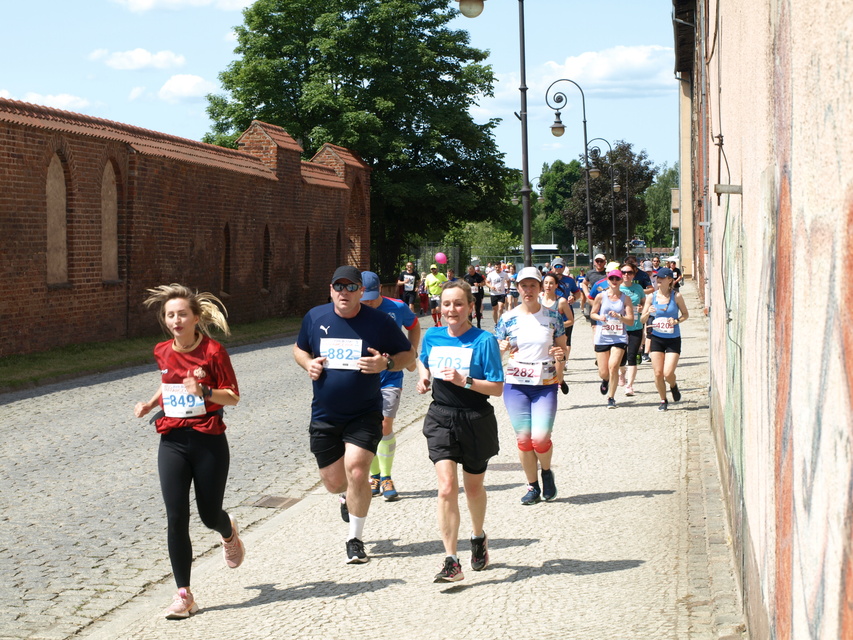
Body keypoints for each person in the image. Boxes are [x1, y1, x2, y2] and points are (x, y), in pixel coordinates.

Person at [133, 284, 244, 620]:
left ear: (196, 317)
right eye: (170, 315)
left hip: (208, 439)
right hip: (173, 440)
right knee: (176, 516)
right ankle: (184, 594)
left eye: (182, 314)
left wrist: (206, 390)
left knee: (209, 514)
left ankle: (227, 531)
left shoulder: (213, 352)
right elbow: (168, 381)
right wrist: (150, 403)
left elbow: (233, 396)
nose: (176, 320)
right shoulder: (162, 350)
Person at [293, 266, 417, 563]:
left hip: (365, 411)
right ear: (331, 289)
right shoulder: (315, 317)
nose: (344, 293)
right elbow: (299, 350)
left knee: (359, 469)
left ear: (361, 291)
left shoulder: (379, 322)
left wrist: (385, 365)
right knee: (335, 482)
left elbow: (408, 356)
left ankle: (355, 539)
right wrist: (307, 364)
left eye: (351, 287)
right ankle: (348, 496)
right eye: (339, 286)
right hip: (325, 414)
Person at [417, 281, 504, 582]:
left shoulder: (484, 341)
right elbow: (423, 360)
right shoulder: (433, 335)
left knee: (474, 489)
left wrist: (463, 381)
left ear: (471, 306)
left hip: (475, 419)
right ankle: (451, 560)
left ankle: (478, 536)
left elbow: (497, 388)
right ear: (439, 308)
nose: (451, 309)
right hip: (441, 416)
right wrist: (424, 377)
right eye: (446, 304)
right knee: (445, 487)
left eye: (458, 304)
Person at [495, 268, 567, 504]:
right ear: (517, 288)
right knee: (524, 438)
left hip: (545, 384)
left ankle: (546, 473)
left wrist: (560, 357)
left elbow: (562, 349)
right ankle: (532, 486)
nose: (528, 290)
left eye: (532, 286)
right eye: (523, 286)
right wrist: (501, 349)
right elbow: (495, 351)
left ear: (539, 288)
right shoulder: (507, 318)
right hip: (516, 385)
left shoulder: (553, 317)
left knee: (541, 437)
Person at [360, 271, 421, 501]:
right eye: (365, 297)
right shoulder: (354, 311)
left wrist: (412, 352)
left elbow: (414, 326)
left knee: (385, 425)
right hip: (363, 378)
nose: (369, 302)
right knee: (369, 427)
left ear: (381, 291)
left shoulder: (397, 306)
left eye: (373, 297)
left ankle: (386, 477)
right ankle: (374, 476)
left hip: (391, 376)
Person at [641, 267, 689, 411]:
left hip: (673, 339)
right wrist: (647, 312)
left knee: (668, 373)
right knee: (657, 372)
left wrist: (676, 321)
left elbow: (686, 314)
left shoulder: (677, 296)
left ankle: (673, 385)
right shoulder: (652, 297)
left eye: (662, 278)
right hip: (657, 338)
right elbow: (642, 320)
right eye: (657, 278)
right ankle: (663, 400)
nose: (658, 280)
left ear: (670, 280)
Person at [590, 269, 634, 409]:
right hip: (602, 336)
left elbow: (631, 321)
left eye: (617, 279)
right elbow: (592, 313)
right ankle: (605, 379)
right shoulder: (601, 296)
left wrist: (619, 316)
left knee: (614, 366)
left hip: (619, 337)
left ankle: (611, 397)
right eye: (612, 279)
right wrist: (600, 317)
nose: (614, 281)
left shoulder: (625, 298)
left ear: (621, 281)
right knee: (604, 371)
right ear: (608, 280)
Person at [540, 272, 573, 394]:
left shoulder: (561, 301)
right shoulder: (538, 300)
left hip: (558, 341)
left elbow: (570, 320)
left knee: (557, 374)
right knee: (544, 374)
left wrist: (555, 326)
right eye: (546, 283)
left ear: (556, 285)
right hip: (542, 341)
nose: (548, 286)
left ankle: (561, 380)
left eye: (551, 283)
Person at [617, 263, 646, 395]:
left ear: (634, 274)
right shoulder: (616, 288)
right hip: (619, 327)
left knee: (632, 356)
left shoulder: (638, 287)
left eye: (629, 272)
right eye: (623, 272)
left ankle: (629, 385)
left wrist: (642, 309)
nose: (626, 275)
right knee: (621, 358)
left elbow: (644, 303)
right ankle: (621, 372)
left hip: (636, 326)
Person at [581, 254, 608, 324]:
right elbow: (584, 283)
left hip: (606, 301)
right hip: (593, 301)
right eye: (597, 261)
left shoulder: (608, 273)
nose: (599, 263)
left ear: (605, 262)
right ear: (594, 262)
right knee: (594, 326)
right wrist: (587, 294)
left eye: (601, 261)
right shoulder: (590, 273)